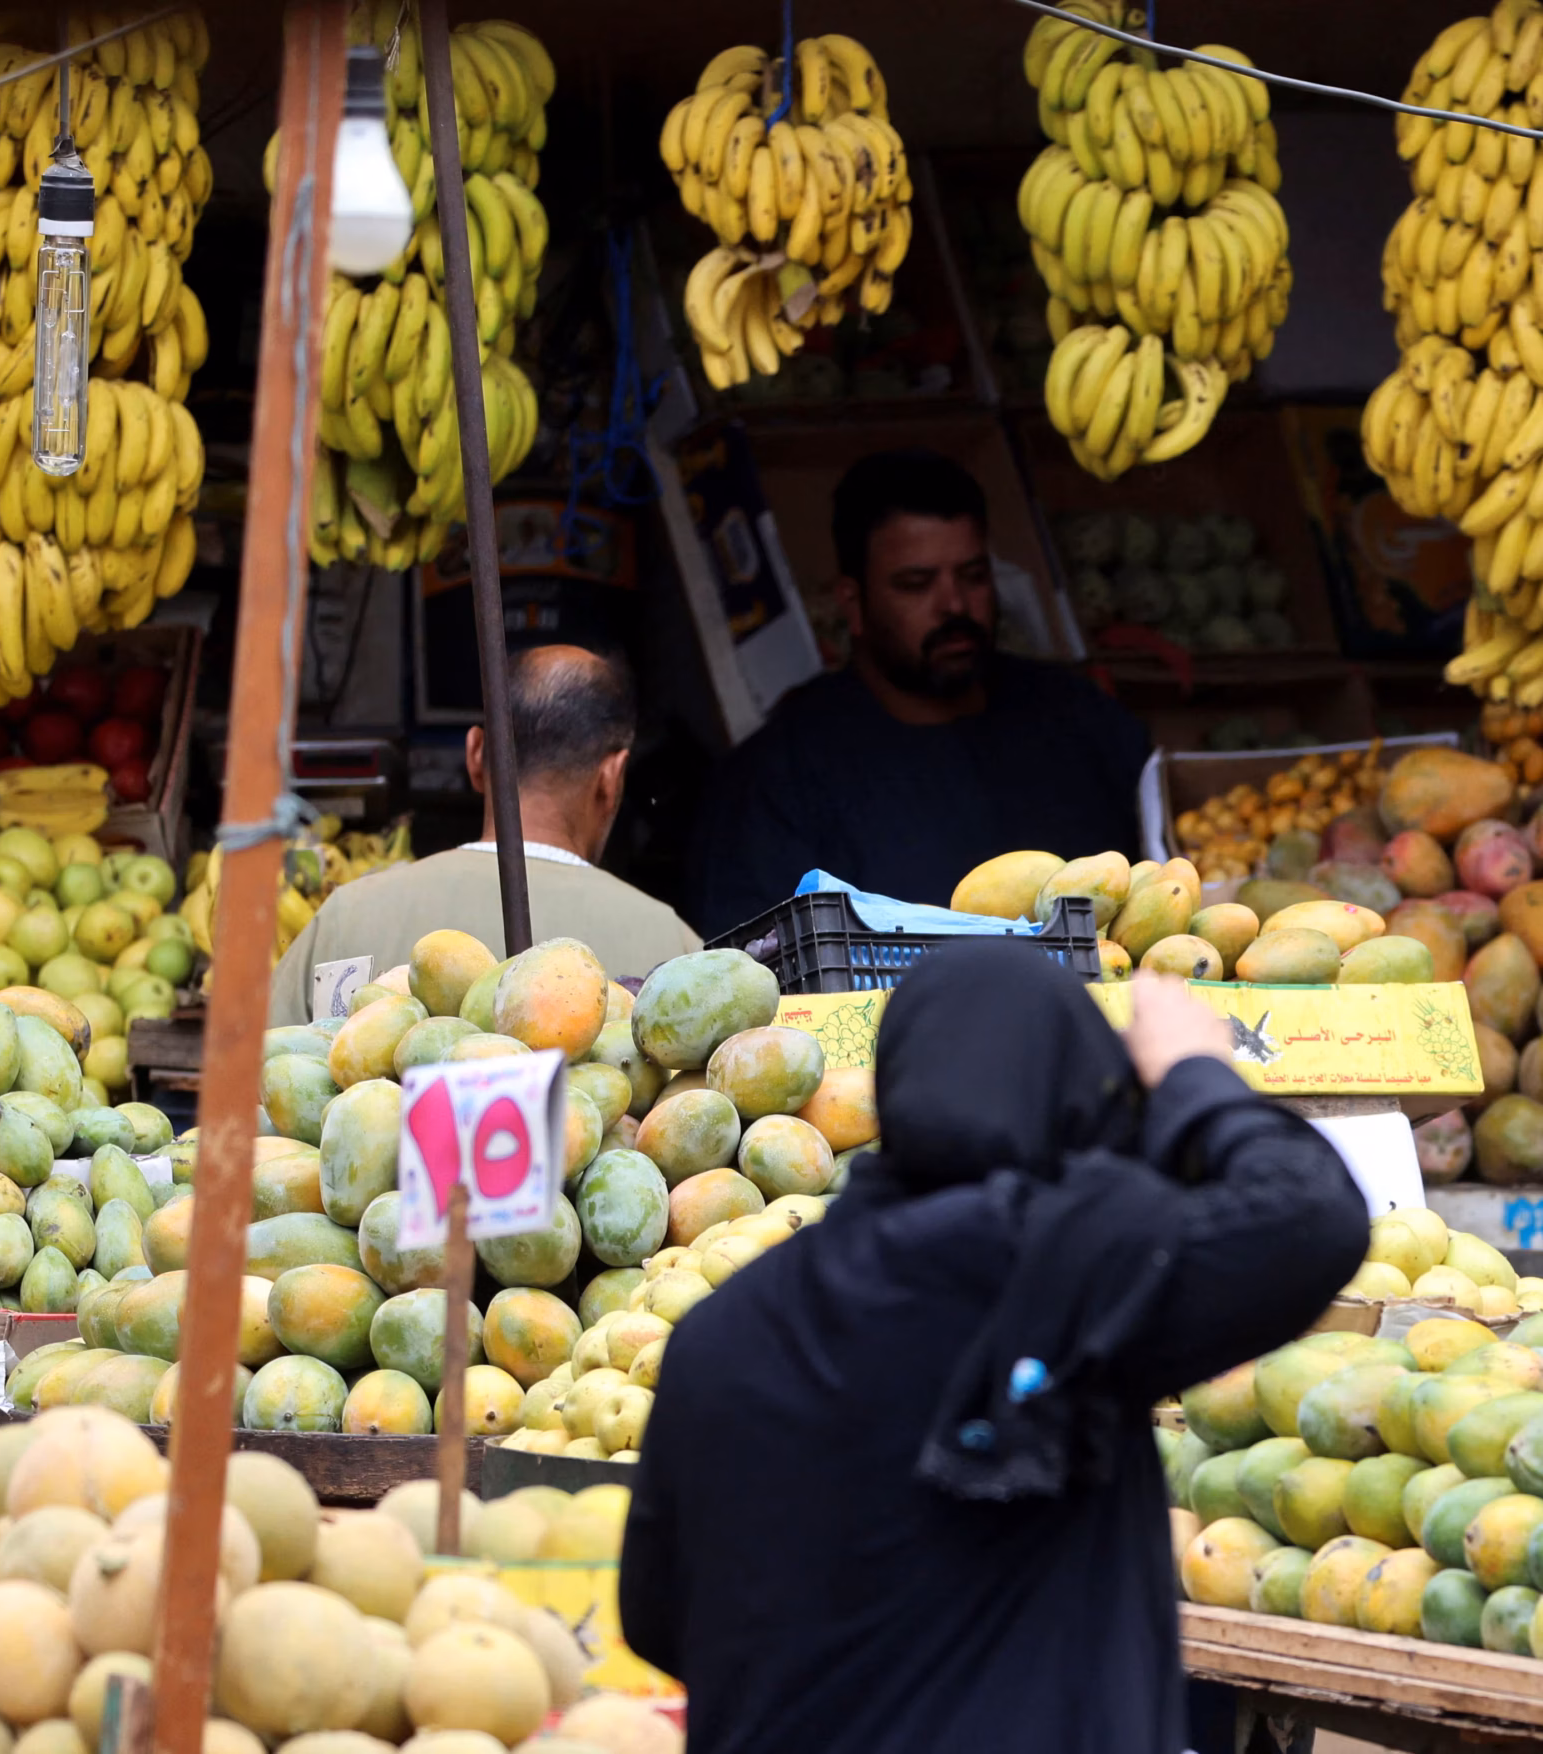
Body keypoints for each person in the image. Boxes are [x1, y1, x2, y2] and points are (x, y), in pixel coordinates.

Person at [619, 946, 1368, 1754]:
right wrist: (1195, 1076)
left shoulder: (721, 1331)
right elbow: (1311, 1217)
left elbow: (657, 1617)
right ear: (1080, 1095)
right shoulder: (1070, 1274)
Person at [688, 448, 1152, 932]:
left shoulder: (1082, 722)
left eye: (972, 576)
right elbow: (753, 963)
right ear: (853, 603)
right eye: (916, 584)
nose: (953, 605)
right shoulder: (778, 781)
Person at [270, 646, 699, 1022]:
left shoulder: (347, 917)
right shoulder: (676, 948)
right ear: (613, 775)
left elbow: (254, 1082)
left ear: (476, 753)